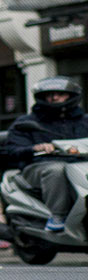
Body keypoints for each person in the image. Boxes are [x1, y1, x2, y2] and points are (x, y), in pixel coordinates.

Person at [5, 76, 88, 232]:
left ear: (71, 96)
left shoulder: (85, 121)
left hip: (80, 166)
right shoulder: (26, 123)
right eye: (49, 94)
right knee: (57, 169)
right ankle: (58, 216)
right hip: (40, 167)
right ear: (41, 97)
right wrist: (35, 148)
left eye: (60, 93)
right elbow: (11, 151)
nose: (54, 97)